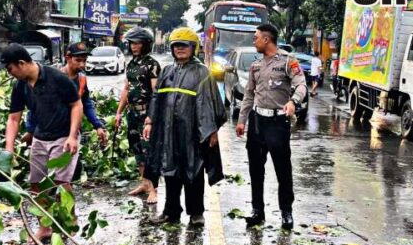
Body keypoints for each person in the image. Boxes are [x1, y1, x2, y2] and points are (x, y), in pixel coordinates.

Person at [0, 44, 83, 240]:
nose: (9, 73)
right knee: (36, 185)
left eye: (10, 68)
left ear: (21, 63)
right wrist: (9, 150)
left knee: (61, 184)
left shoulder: (57, 78)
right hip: (40, 137)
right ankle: (45, 227)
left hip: (63, 137)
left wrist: (72, 136)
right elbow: (13, 118)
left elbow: (76, 105)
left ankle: (69, 221)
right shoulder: (20, 86)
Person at [143, 27, 225, 226]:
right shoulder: (167, 71)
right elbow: (156, 98)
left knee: (193, 170)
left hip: (192, 133)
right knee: (169, 170)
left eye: (184, 45)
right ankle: (170, 212)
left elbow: (210, 103)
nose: (179, 49)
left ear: (193, 47)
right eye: (176, 45)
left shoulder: (202, 72)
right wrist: (150, 121)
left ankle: (196, 213)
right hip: (168, 131)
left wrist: (211, 131)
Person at [236, 23, 307, 230]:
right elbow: (249, 95)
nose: (254, 41)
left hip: (277, 123)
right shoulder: (256, 65)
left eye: (256, 38)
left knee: (283, 170)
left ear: (266, 39)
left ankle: (286, 212)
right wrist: (242, 120)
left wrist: (293, 101)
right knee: (255, 170)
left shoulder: (288, 61)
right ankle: (257, 211)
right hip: (257, 122)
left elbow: (301, 85)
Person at [23, 42, 107, 180]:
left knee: (67, 175)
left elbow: (86, 104)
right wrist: (30, 130)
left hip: (70, 132)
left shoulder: (82, 79)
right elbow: (36, 106)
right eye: (78, 60)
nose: (82, 65)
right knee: (47, 175)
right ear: (68, 58)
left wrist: (98, 126)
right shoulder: (52, 77)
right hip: (49, 132)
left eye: (84, 61)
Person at [116, 27, 161, 204]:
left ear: (145, 45)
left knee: (149, 151)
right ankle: (144, 184)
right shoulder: (131, 64)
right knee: (137, 150)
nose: (134, 46)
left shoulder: (152, 65)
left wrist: (151, 118)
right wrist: (119, 112)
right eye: (132, 43)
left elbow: (156, 93)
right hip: (132, 113)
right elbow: (126, 89)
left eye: (138, 43)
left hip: (146, 114)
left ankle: (154, 190)